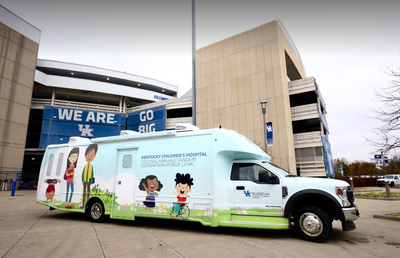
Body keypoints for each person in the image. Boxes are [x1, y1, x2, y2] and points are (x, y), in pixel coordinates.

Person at [81, 144, 97, 208]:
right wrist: (82, 180)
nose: (89, 157)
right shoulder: (85, 166)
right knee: (84, 193)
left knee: (88, 193)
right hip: (85, 180)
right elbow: (83, 173)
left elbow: (92, 173)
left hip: (88, 181)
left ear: (94, 155)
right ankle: (83, 204)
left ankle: (87, 204)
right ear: (85, 156)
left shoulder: (91, 166)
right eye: (88, 155)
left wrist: (91, 180)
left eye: (92, 155)